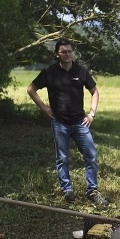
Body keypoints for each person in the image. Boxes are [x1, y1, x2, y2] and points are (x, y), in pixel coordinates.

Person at [27, 39, 108, 208]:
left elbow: (94, 92)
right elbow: (31, 89)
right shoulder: (49, 72)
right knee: (62, 158)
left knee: (91, 156)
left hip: (80, 123)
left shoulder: (81, 71)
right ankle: (67, 190)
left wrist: (92, 113)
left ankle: (92, 191)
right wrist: (44, 108)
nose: (68, 54)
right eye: (64, 52)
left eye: (70, 51)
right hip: (60, 123)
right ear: (57, 54)